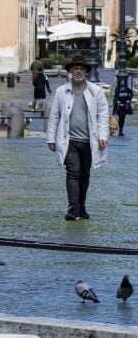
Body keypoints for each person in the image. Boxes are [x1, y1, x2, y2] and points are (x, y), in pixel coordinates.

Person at [45, 56, 109, 220]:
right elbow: (54, 116)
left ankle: (82, 206)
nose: (78, 71)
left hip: (89, 141)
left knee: (85, 174)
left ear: (86, 72)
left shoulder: (96, 92)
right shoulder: (61, 92)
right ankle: (72, 207)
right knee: (72, 173)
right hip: (70, 140)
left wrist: (103, 136)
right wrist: (51, 138)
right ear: (71, 71)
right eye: (75, 68)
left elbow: (103, 115)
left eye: (81, 68)